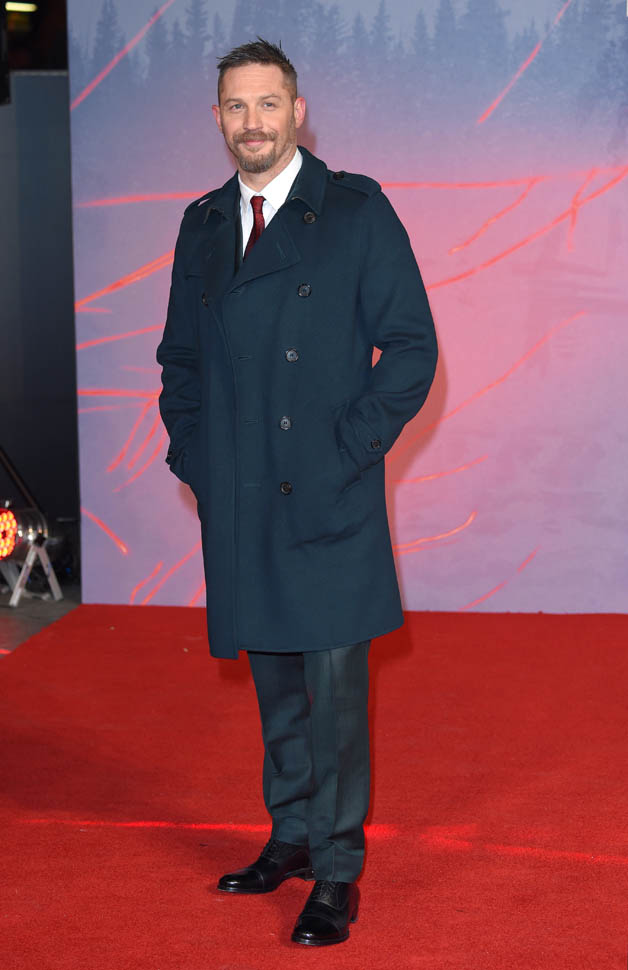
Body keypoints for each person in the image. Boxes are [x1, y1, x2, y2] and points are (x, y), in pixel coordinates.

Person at [156, 38, 438, 947]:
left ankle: (339, 869)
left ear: (298, 111)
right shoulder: (203, 223)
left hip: (326, 492)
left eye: (268, 104)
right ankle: (292, 835)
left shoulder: (355, 210)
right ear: (217, 118)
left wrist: (348, 451)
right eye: (237, 107)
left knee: (335, 694)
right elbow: (180, 361)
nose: (253, 123)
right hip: (240, 493)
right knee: (274, 677)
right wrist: (195, 456)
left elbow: (412, 347)